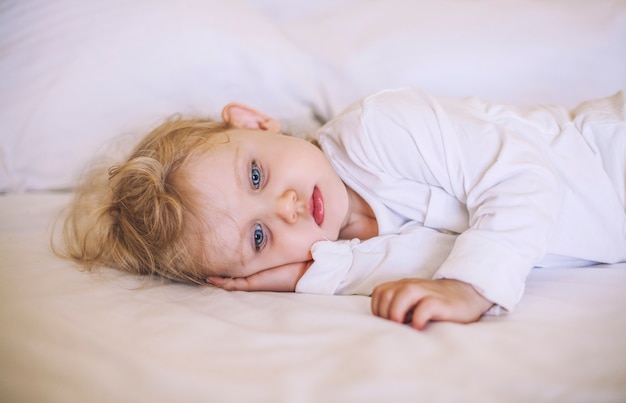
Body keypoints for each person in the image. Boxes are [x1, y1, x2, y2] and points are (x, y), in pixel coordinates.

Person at [56, 87, 626, 330]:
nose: (285, 208)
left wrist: (471, 288)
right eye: (257, 239)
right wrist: (314, 274)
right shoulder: (347, 255)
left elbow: (524, 178)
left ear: (255, 121)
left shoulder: (378, 128)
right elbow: (434, 251)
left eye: (256, 174)